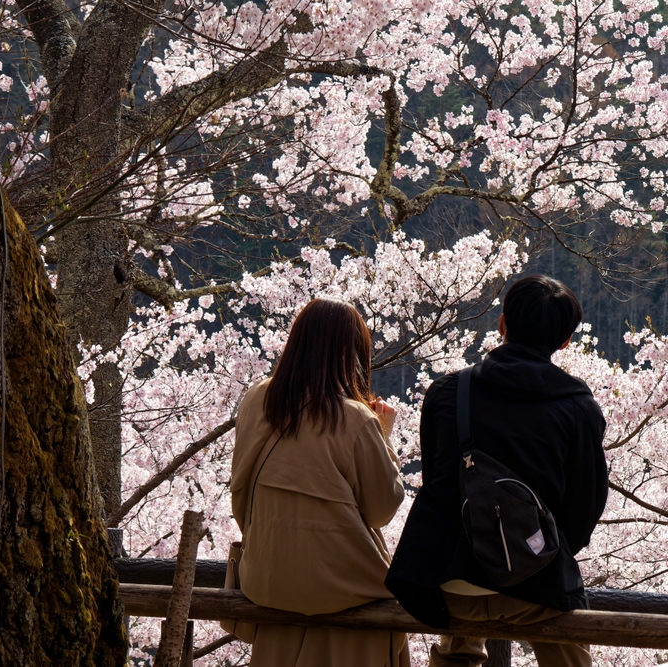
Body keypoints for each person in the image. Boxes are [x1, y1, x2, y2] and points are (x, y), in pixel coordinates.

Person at [386, 275, 608, 667]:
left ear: (502, 324)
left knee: (459, 635)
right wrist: (537, 553)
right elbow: (584, 507)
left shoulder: (447, 393)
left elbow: (438, 481)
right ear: (565, 341)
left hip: (448, 587)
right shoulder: (578, 408)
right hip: (532, 587)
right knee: (569, 647)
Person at [230, 299, 409, 667]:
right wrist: (385, 436)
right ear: (348, 353)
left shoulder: (257, 399)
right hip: (343, 583)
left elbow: (240, 494)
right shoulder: (354, 418)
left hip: (267, 576)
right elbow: (380, 511)